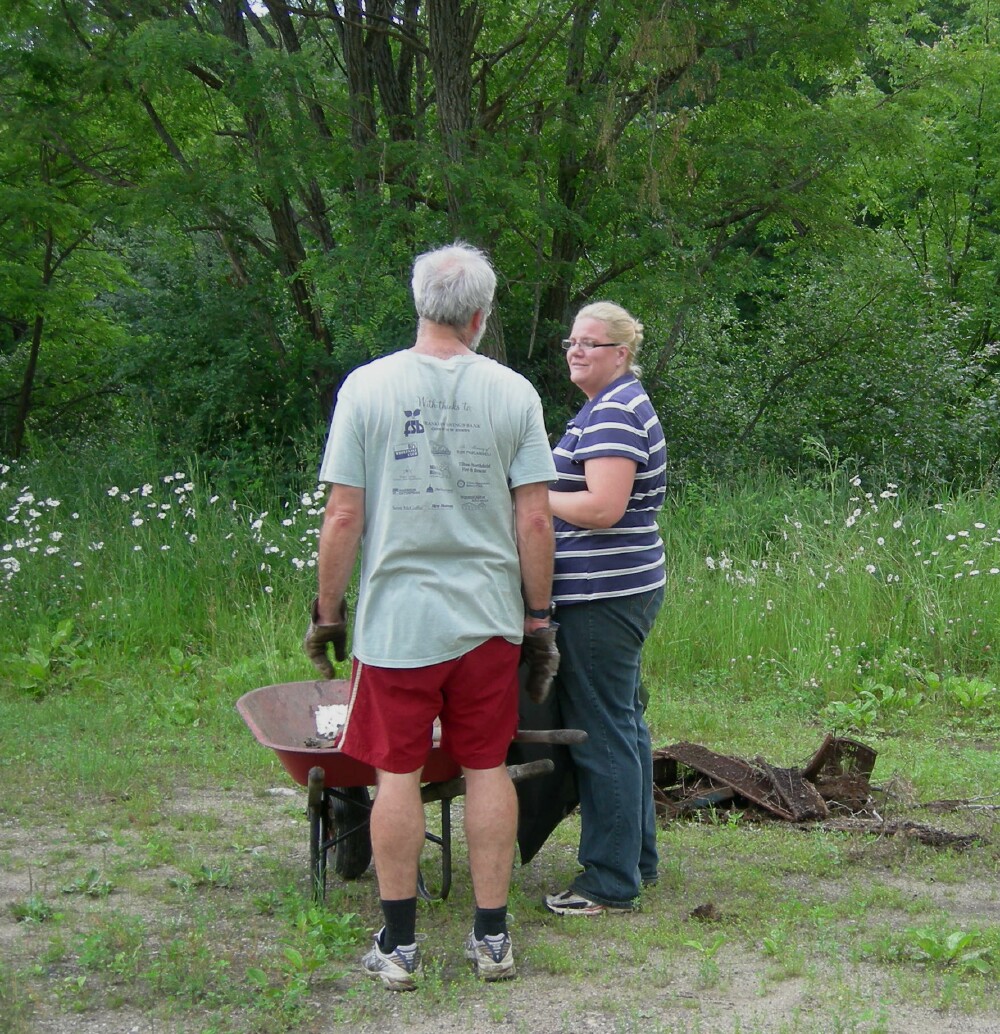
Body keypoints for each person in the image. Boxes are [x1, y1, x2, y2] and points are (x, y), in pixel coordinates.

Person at [303, 242, 558, 990]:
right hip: (484, 618)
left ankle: (401, 946)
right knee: (486, 766)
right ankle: (491, 940)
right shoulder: (514, 393)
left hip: (398, 622)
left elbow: (343, 513)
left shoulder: (367, 388)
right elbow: (535, 521)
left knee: (396, 775)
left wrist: (327, 612)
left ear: (419, 304)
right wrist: (538, 621)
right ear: (480, 316)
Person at [542, 301, 667, 916]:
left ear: (621, 353)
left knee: (602, 730)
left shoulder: (615, 410)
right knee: (624, 722)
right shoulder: (607, 406)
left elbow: (603, 508)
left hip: (602, 594)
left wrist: (536, 495)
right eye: (572, 341)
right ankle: (637, 859)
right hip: (617, 587)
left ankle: (609, 882)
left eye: (591, 343)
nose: (577, 350)